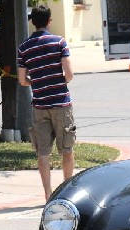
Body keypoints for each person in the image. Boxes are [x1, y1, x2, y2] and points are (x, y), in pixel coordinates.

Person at [17, 5, 76, 201]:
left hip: (39, 105)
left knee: (43, 153)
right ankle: (67, 193)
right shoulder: (59, 42)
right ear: (49, 21)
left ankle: (48, 195)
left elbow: (23, 81)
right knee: (66, 150)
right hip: (61, 103)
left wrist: (38, 81)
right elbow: (69, 75)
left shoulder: (24, 48)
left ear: (32, 22)